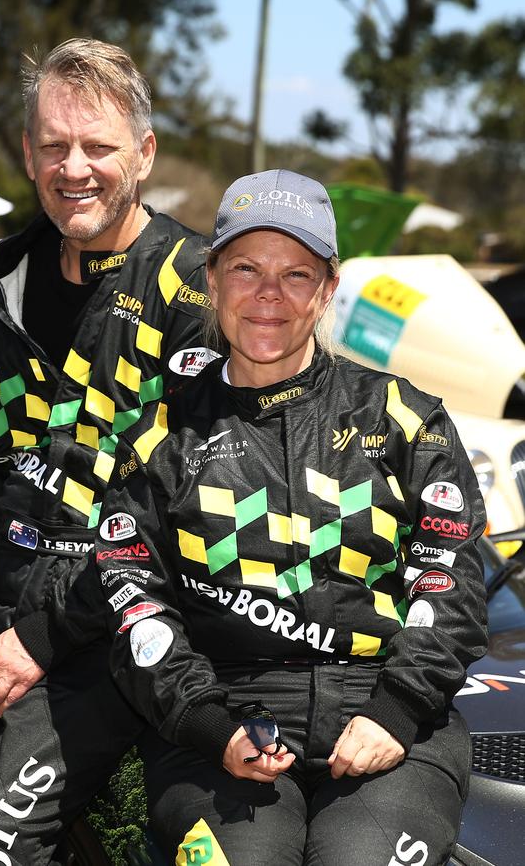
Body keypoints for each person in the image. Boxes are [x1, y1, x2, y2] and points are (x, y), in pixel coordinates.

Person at [0, 38, 214, 865]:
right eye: (55, 145)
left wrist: (42, 636)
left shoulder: (197, 288)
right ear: (27, 153)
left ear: (143, 153)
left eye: (98, 146)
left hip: (109, 637)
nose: (75, 168)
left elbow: (184, 512)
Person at [94, 169, 489, 864]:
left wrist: (394, 709)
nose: (269, 294)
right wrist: (213, 726)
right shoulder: (158, 432)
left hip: (393, 722)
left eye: (296, 272)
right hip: (217, 731)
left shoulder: (404, 419)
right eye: (245, 268)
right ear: (211, 281)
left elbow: (450, 585)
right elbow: (133, 603)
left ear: (329, 287)